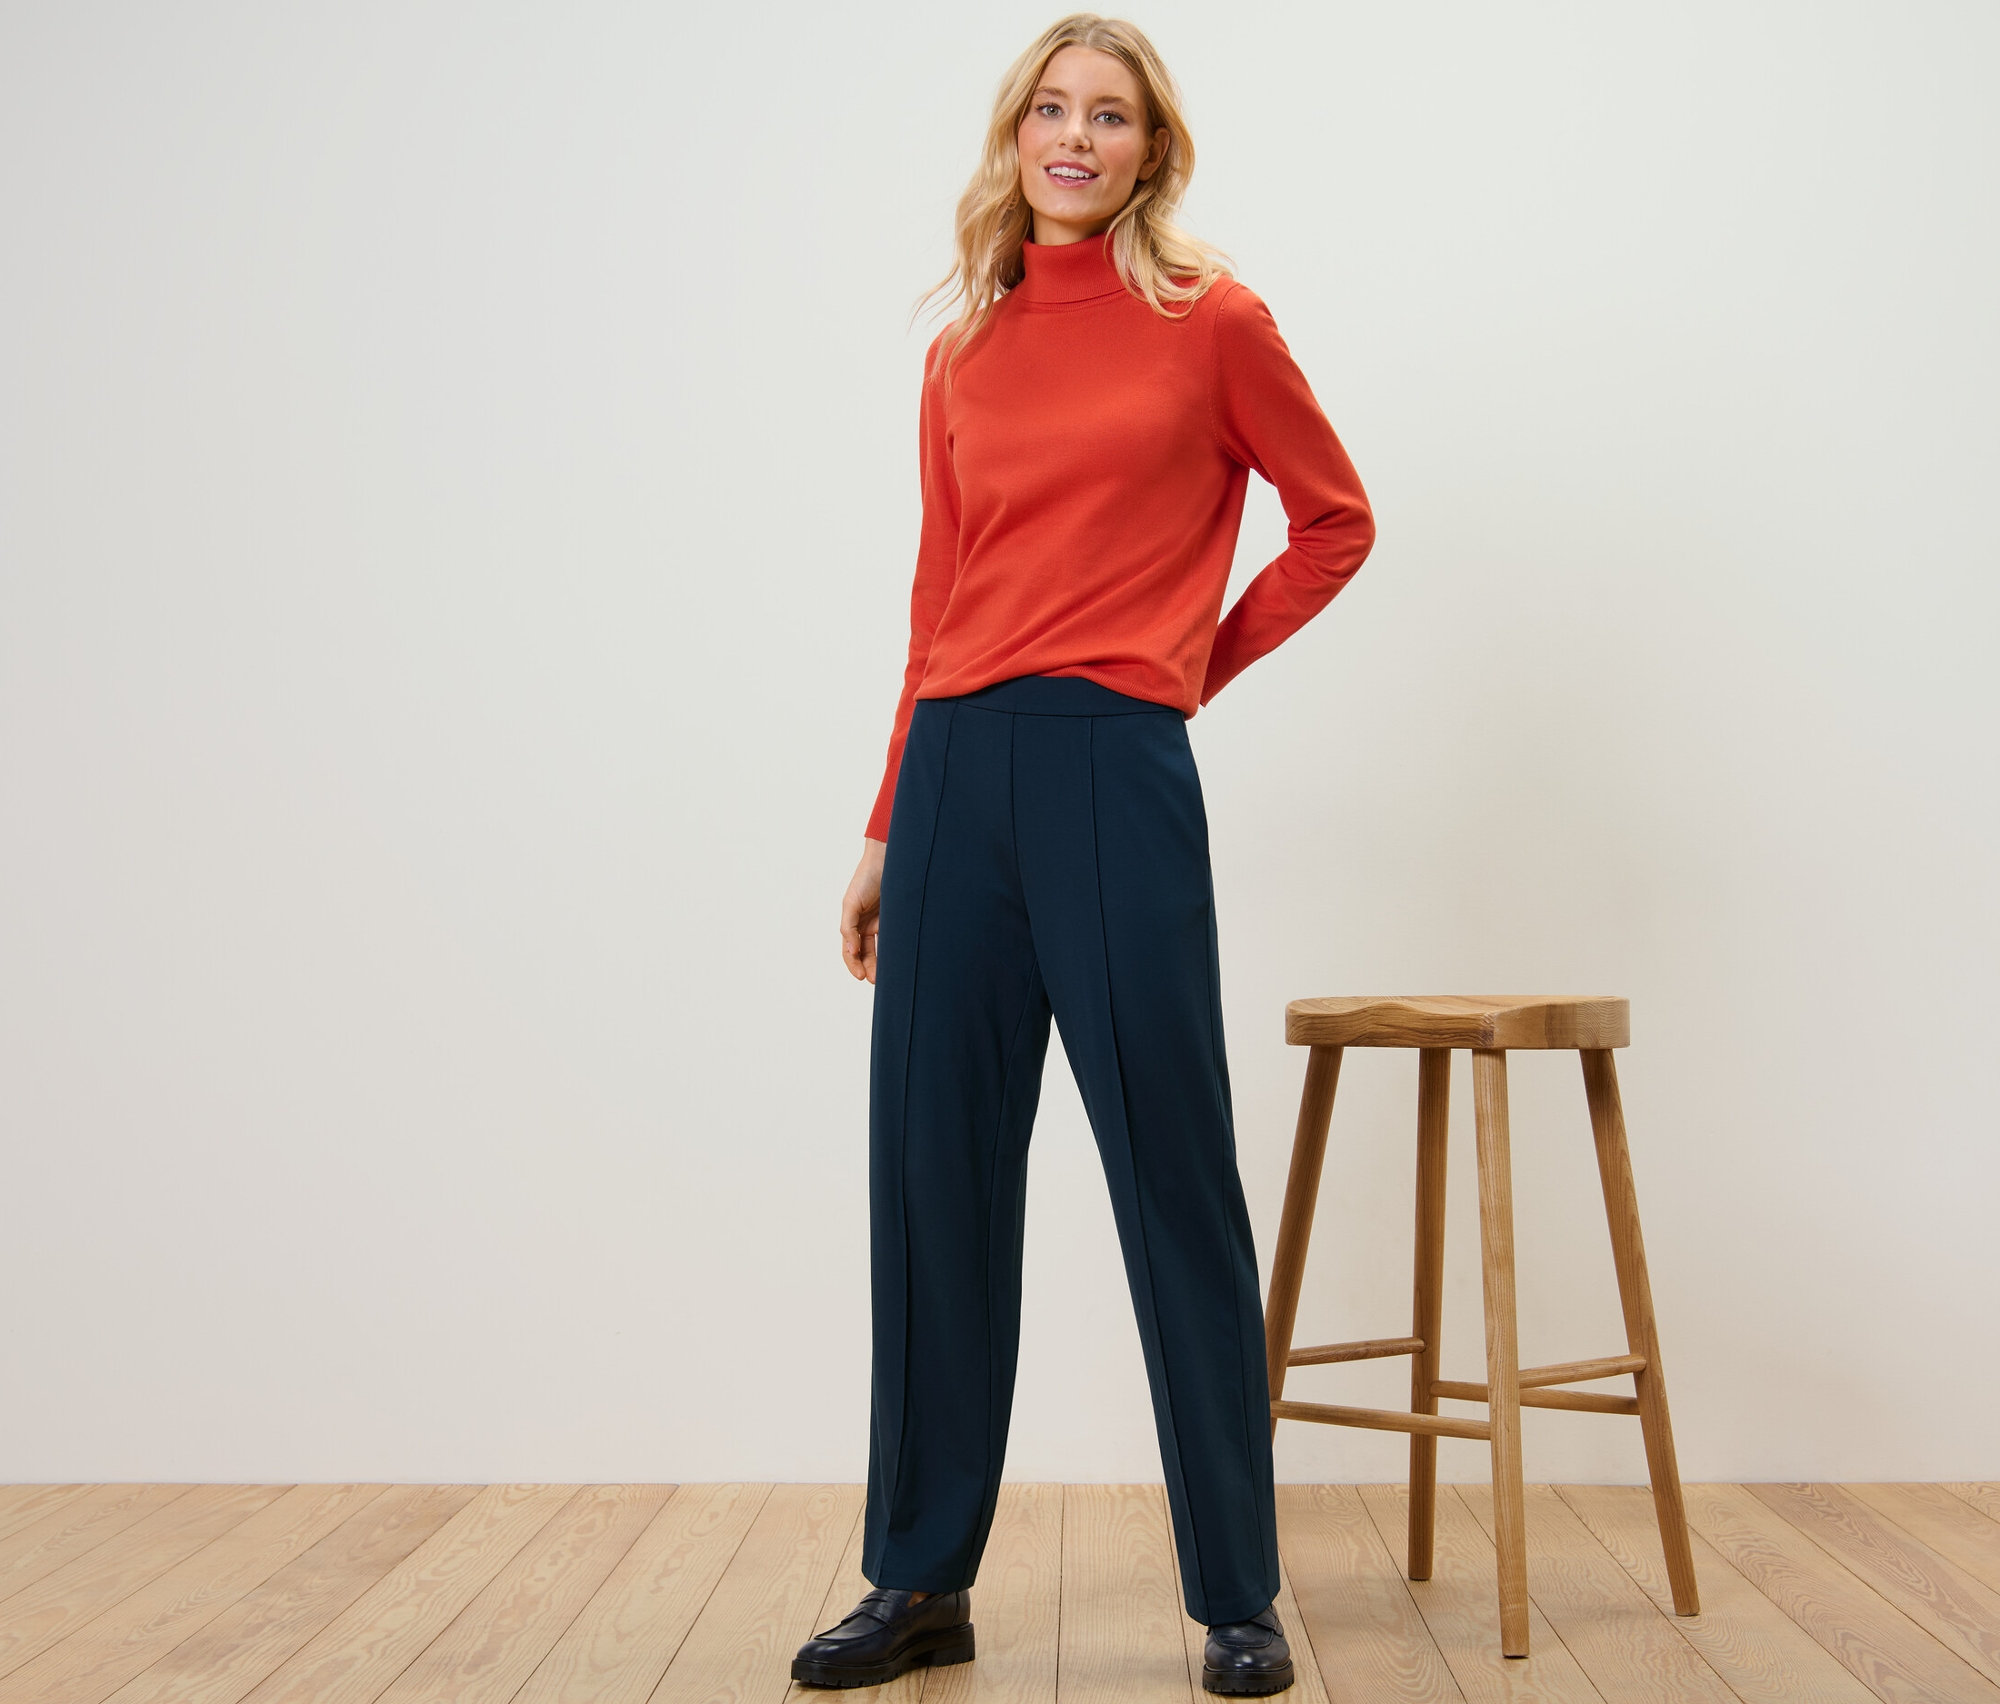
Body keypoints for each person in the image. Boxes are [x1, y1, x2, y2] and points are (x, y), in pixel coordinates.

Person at [793, 13, 1375, 1695]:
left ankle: (1239, 1593)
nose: (1074, 136)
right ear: (1016, 135)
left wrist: (1185, 665)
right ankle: (919, 1579)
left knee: (1170, 1171)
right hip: (961, 772)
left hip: (1117, 771)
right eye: (1050, 108)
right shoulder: (963, 352)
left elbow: (1333, 519)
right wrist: (890, 823)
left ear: (1150, 150)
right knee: (934, 1175)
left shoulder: (1215, 325)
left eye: (1108, 115)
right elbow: (935, 601)